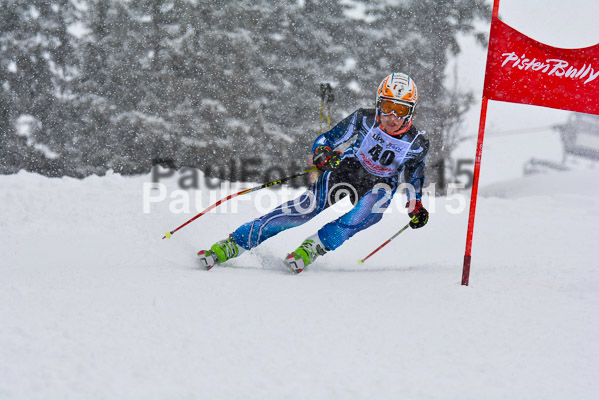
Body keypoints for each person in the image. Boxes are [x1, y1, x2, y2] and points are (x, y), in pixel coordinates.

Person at [198, 72, 430, 274]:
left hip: (379, 184)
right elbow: (326, 139)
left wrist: (415, 204)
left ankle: (315, 246)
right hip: (349, 168)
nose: (393, 117)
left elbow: (414, 178)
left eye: (401, 110)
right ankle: (235, 243)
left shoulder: (418, 144)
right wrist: (323, 152)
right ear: (379, 104)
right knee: (304, 209)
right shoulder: (365, 118)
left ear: (411, 112)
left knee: (369, 212)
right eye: (388, 108)